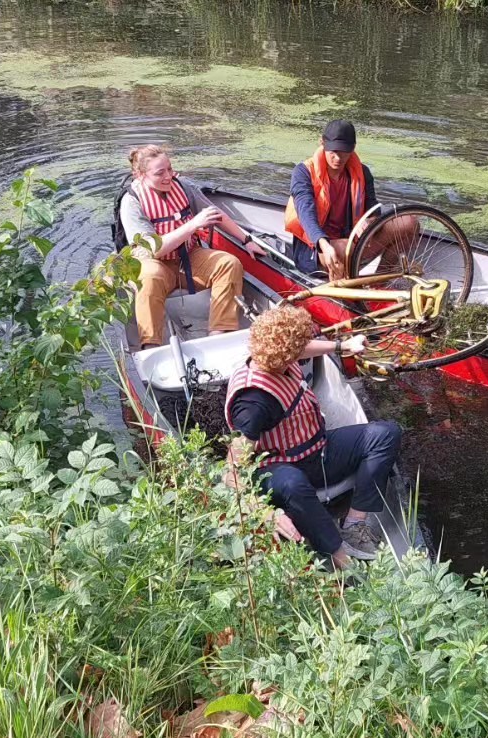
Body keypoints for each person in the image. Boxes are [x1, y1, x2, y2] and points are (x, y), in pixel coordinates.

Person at [224, 305, 401, 569]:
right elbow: (232, 472)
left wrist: (342, 346)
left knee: (385, 434)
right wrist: (263, 511)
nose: (303, 350)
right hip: (278, 467)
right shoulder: (254, 403)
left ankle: (354, 524)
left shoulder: (275, 356)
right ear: (286, 354)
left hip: (317, 450)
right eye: (298, 348)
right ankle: (338, 555)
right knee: (294, 484)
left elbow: (302, 348)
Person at [116, 145, 267, 348]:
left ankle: (219, 333)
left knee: (229, 264)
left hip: (187, 257)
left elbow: (215, 214)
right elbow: (154, 249)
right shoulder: (131, 201)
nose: (168, 176)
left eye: (169, 169)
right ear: (140, 175)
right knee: (150, 278)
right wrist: (193, 225)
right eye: (160, 173)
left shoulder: (183, 186)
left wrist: (247, 240)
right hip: (153, 262)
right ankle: (151, 346)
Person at [282, 119, 417, 281]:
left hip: (354, 243)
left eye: (344, 152)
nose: (338, 158)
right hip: (317, 248)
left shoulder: (363, 172)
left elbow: (373, 209)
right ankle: (345, 285)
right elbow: (305, 213)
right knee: (342, 248)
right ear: (322, 143)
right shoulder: (303, 172)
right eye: (333, 151)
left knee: (409, 223)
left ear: (353, 148)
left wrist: (369, 221)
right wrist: (324, 245)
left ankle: (380, 279)